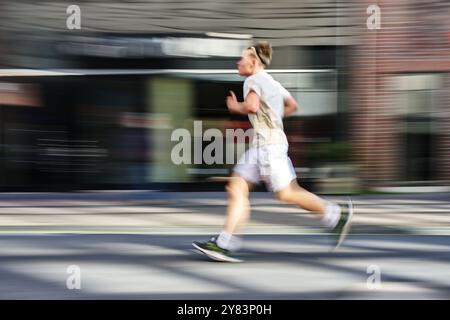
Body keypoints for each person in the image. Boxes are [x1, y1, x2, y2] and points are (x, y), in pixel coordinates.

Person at [193, 41, 353, 262]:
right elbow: (292, 105)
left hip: (268, 146)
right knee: (236, 187)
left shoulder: (253, 80)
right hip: (264, 144)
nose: (238, 62)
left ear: (254, 62)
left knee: (286, 193)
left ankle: (334, 214)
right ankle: (224, 242)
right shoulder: (273, 83)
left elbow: (251, 106)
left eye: (242, 58)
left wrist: (235, 106)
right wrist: (273, 119)